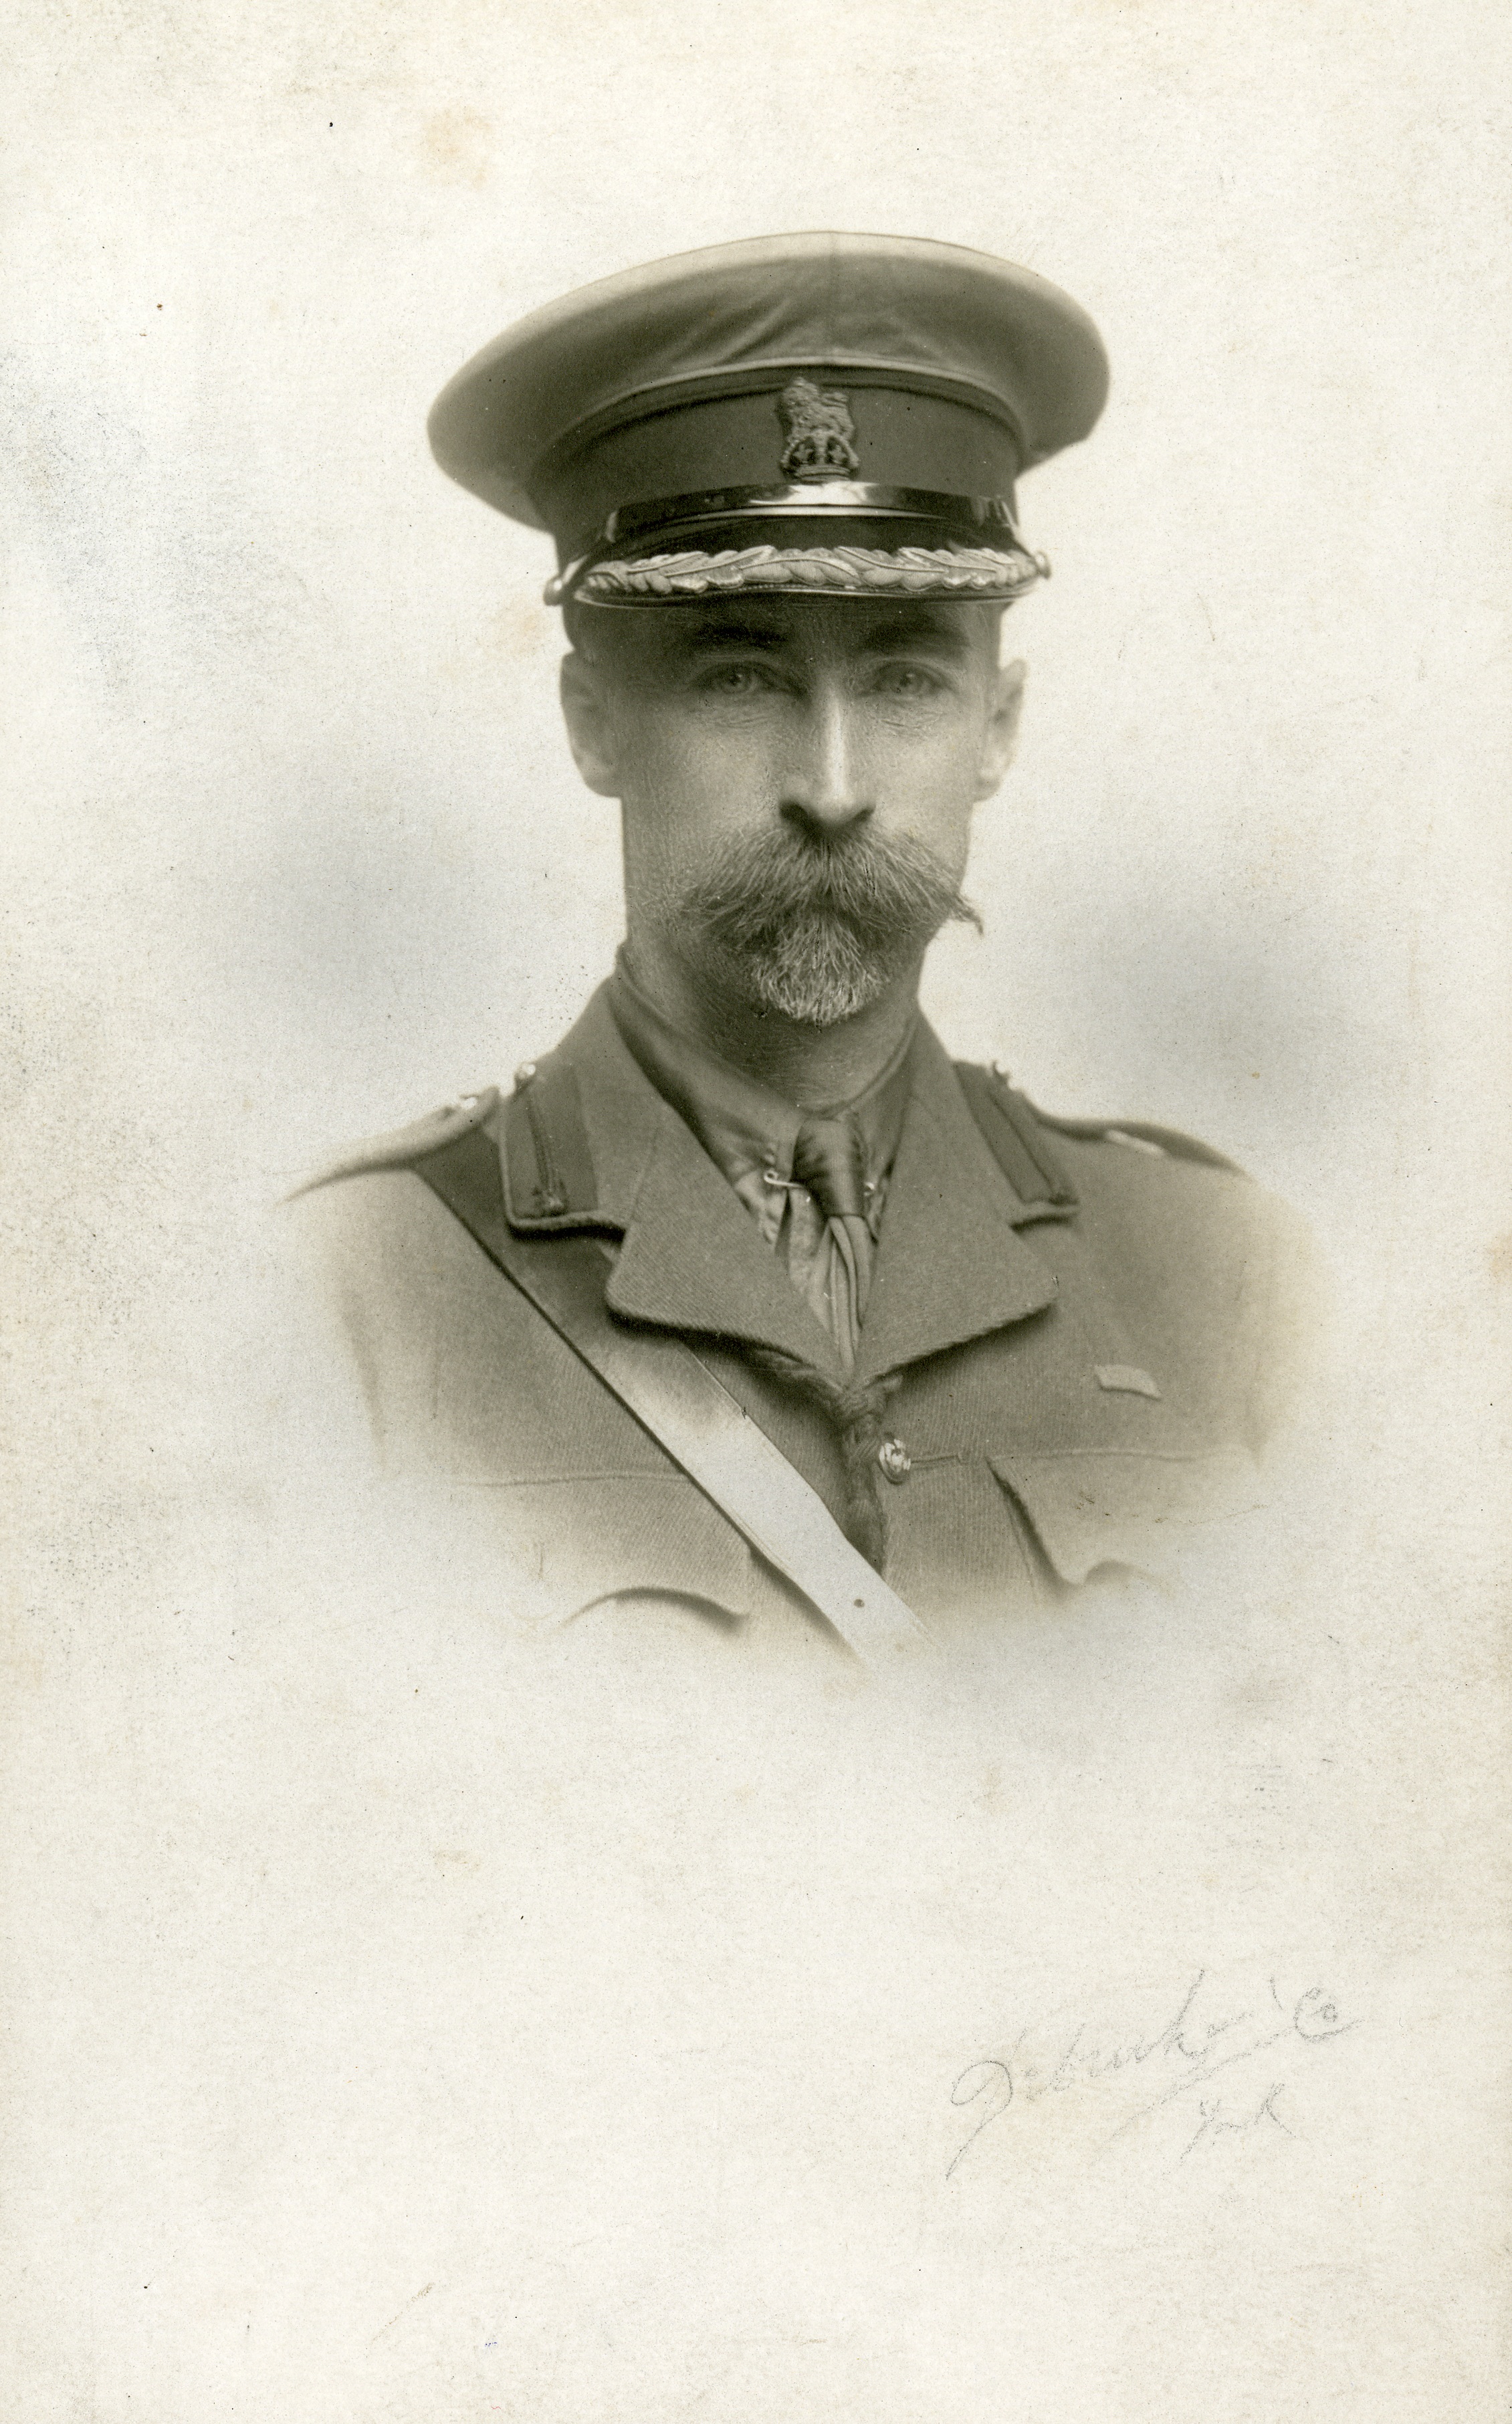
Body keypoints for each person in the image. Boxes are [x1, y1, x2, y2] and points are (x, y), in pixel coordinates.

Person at [289, 233, 1315, 1663]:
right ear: (592, 724)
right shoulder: (344, 1303)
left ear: (999, 728)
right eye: (740, 674)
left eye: (906, 678)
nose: (832, 789)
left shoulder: (1218, 1277)